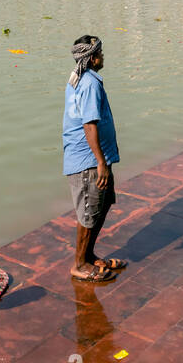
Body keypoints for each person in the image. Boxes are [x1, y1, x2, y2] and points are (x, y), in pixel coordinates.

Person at [63, 35, 126, 283]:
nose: (103, 56)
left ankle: (88, 256)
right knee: (88, 212)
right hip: (88, 160)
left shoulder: (82, 78)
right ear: (91, 58)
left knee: (102, 205)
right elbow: (89, 125)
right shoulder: (89, 83)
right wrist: (100, 162)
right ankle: (79, 264)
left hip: (96, 157)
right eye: (100, 53)